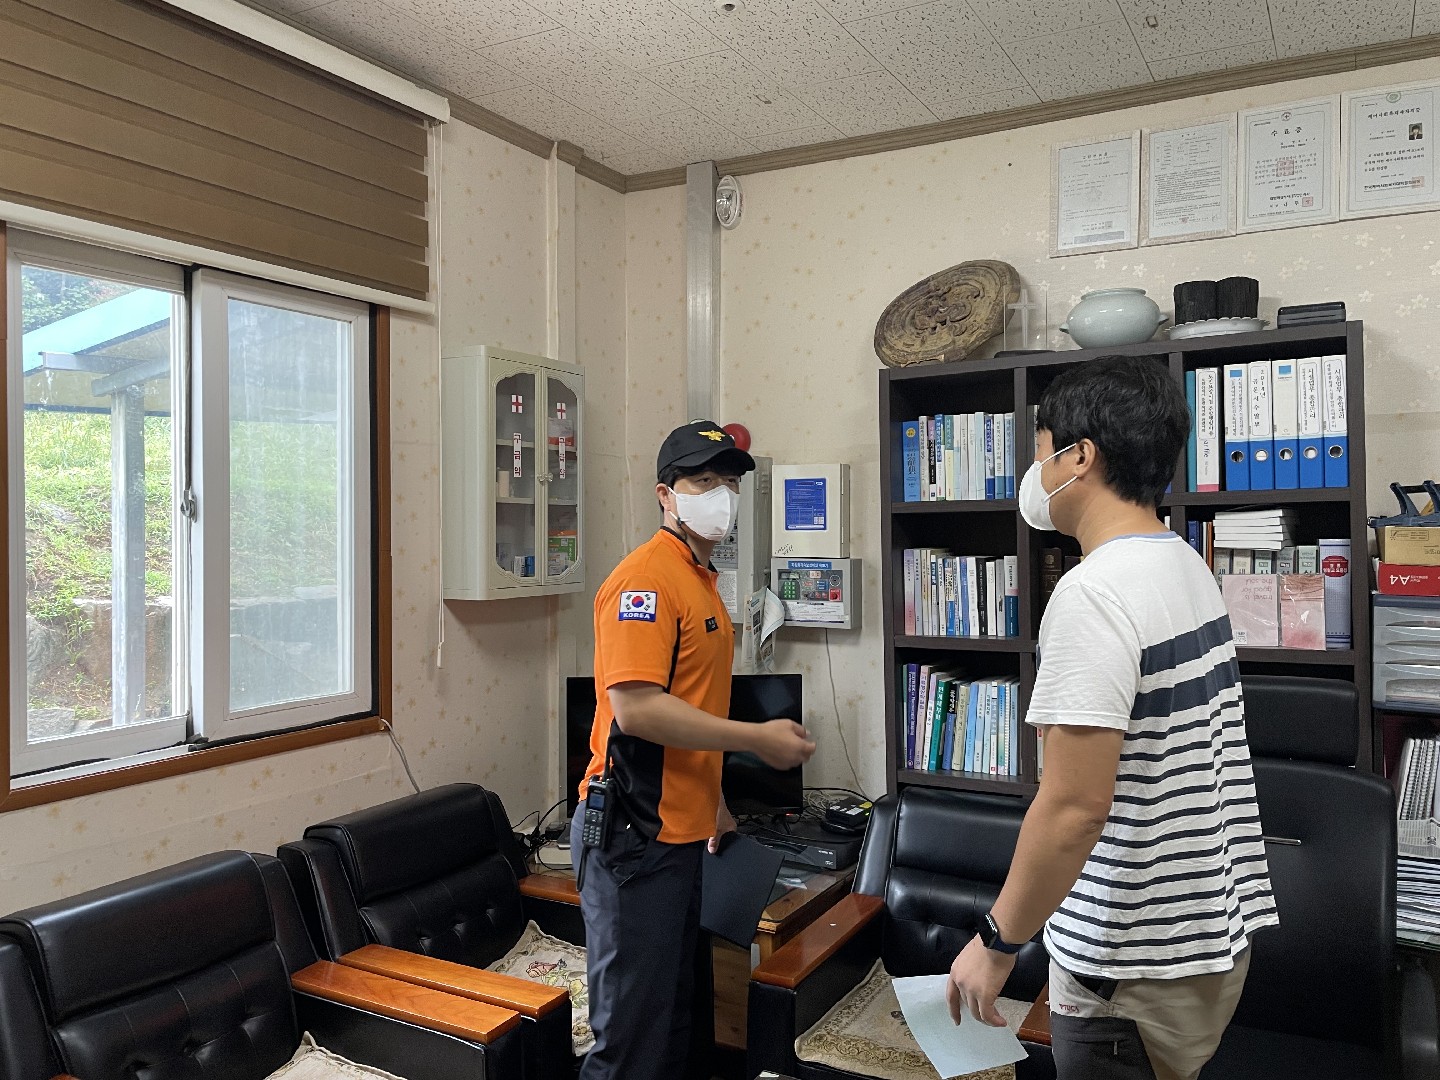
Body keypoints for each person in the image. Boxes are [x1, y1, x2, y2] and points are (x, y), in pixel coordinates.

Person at [944, 356, 1278, 1080]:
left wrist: (996, 942)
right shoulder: (1181, 560)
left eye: (1040, 453)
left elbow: (1074, 808)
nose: (1035, 475)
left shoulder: (1094, 592)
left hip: (1132, 960)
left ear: (1080, 457)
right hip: (1205, 937)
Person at [572, 419, 817, 1080]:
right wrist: (756, 739)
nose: (721, 496)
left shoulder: (701, 579)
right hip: (633, 834)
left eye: (729, 482)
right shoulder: (644, 583)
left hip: (681, 834)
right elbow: (639, 709)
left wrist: (714, 802)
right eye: (703, 481)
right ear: (665, 495)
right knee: (629, 1041)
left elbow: (693, 703)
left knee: (677, 1024)